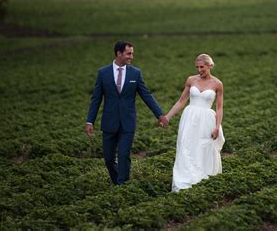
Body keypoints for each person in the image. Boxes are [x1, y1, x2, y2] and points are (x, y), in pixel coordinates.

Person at [85, 41, 168, 185]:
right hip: (109, 122)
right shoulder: (103, 73)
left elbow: (146, 95)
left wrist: (160, 115)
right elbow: (96, 99)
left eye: (132, 54)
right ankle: (117, 181)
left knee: (124, 155)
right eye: (128, 53)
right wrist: (89, 121)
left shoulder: (135, 73)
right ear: (119, 53)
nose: (131, 57)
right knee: (109, 159)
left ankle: (122, 184)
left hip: (128, 122)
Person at [164, 53, 225, 192]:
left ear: (210, 66)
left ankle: (202, 180)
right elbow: (181, 101)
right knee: (186, 147)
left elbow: (219, 108)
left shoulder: (217, 84)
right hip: (190, 117)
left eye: (202, 67)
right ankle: (184, 180)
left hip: (207, 119)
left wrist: (217, 126)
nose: (199, 70)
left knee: (203, 148)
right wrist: (168, 117)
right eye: (197, 67)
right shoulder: (191, 80)